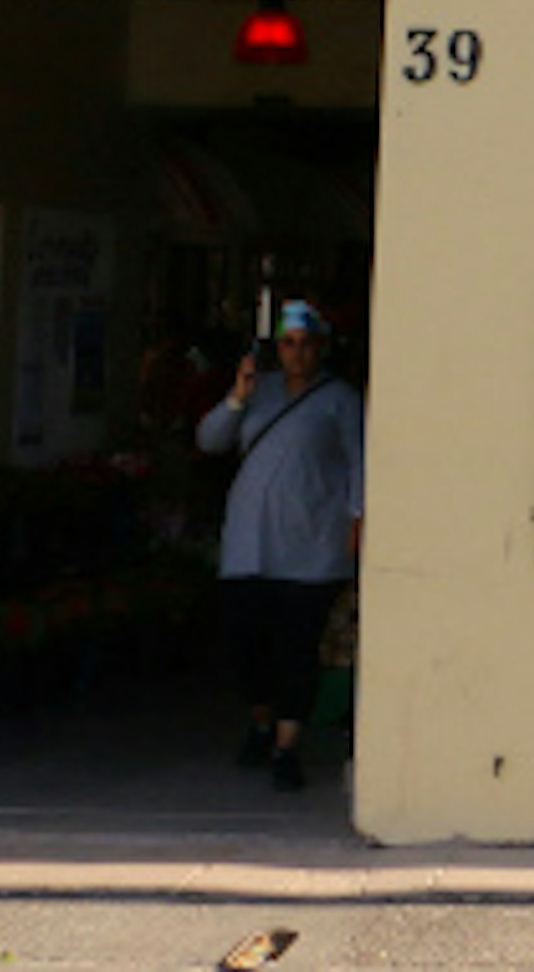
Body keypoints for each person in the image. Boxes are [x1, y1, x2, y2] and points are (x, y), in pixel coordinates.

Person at [197, 299, 363, 793]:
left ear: (322, 348)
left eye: (307, 345)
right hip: (249, 546)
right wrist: (236, 396)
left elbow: (360, 463)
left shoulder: (340, 399)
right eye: (289, 344)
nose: (297, 354)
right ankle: (262, 721)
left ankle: (288, 744)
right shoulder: (259, 392)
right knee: (245, 643)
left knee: (297, 647)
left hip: (310, 547)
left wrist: (359, 518)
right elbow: (209, 441)